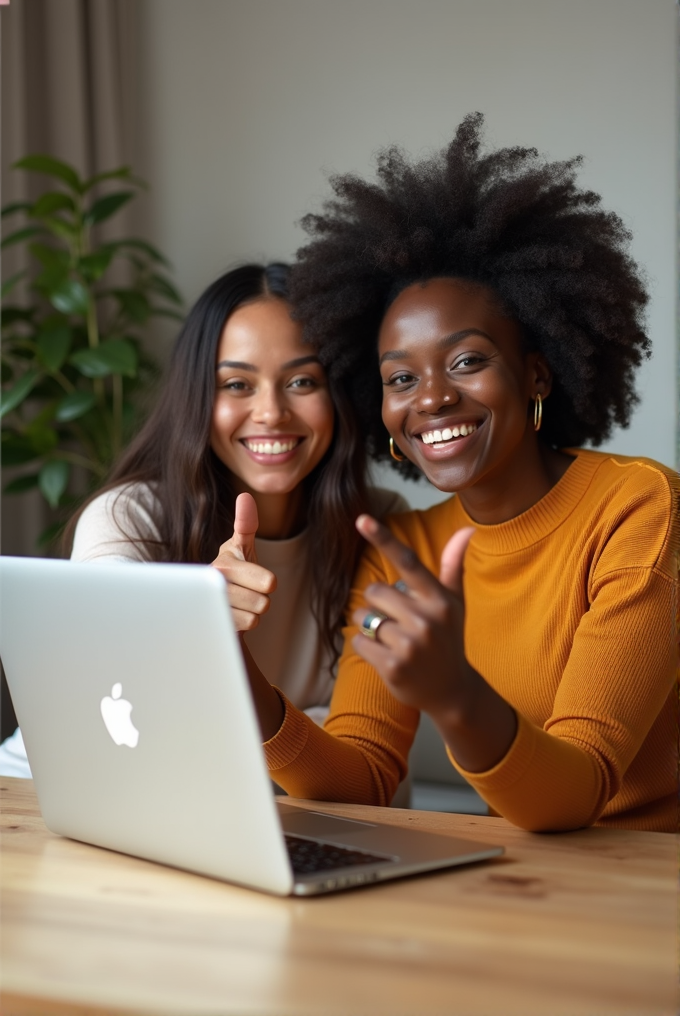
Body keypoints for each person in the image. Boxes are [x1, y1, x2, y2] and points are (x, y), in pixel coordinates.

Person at [244, 115, 678, 833]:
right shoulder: (400, 548)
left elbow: (579, 793)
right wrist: (245, 689)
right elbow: (360, 778)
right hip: (513, 886)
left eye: (468, 360)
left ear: (537, 373)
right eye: (400, 377)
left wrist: (455, 696)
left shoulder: (638, 508)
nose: (433, 398)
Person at [0, 263, 407, 777]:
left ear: (340, 394)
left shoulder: (379, 526)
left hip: (262, 812)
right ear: (199, 397)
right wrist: (193, 620)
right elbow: (103, 699)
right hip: (41, 793)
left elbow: (366, 755)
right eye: (237, 384)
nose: (270, 412)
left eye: (302, 381)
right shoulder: (128, 517)